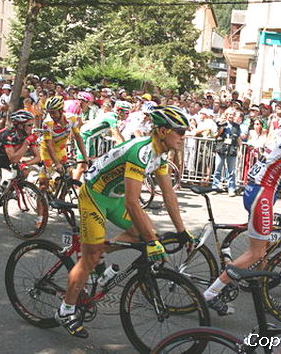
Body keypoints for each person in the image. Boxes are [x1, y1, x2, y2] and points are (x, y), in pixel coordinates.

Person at [55, 106, 194, 338]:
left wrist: (182, 231)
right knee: (90, 258)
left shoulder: (159, 154)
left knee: (143, 235)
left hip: (115, 199)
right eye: (179, 131)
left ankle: (100, 252)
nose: (183, 136)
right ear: (161, 131)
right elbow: (132, 203)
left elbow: (169, 194)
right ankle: (66, 309)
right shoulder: (141, 152)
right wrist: (151, 240)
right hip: (95, 196)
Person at [203, 96, 281, 315]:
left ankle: (263, 298)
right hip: (262, 192)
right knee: (256, 253)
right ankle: (211, 294)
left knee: (262, 252)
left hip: (262, 189)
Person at [0, 110, 41, 242]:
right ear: (20, 125)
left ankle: (8, 188)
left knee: (24, 171)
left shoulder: (28, 134)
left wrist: (25, 164)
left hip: (7, 157)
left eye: (32, 125)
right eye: (29, 125)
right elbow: (13, 159)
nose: (32, 128)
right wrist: (26, 144)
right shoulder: (8, 135)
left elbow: (37, 157)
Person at [38, 96, 89, 205]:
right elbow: (49, 145)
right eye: (49, 113)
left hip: (61, 150)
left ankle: (61, 198)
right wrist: (56, 163)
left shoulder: (71, 119)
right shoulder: (47, 123)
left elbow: (78, 138)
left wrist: (85, 157)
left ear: (61, 111)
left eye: (53, 113)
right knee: (43, 183)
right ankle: (41, 212)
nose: (51, 116)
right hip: (47, 152)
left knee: (69, 176)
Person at [72, 100, 131, 181]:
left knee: (93, 160)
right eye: (127, 113)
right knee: (82, 166)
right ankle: (72, 185)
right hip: (85, 137)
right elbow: (116, 136)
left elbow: (119, 136)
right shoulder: (111, 118)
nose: (128, 115)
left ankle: (86, 183)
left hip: (92, 138)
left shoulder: (114, 117)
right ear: (119, 111)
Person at [212, 109, 241, 196]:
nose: (231, 116)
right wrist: (221, 127)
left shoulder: (237, 126)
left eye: (232, 115)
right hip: (221, 147)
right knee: (218, 168)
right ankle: (215, 186)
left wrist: (240, 150)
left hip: (232, 149)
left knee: (231, 170)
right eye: (229, 114)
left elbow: (238, 138)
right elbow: (215, 135)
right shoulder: (221, 123)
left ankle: (231, 188)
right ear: (226, 115)